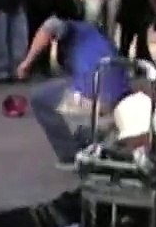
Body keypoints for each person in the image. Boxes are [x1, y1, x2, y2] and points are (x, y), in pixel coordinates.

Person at [18, 16, 131, 171]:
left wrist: (27, 62)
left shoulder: (73, 29)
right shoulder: (100, 37)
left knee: (40, 97)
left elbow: (49, 27)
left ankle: (70, 156)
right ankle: (99, 140)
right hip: (118, 102)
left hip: (93, 100)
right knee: (69, 90)